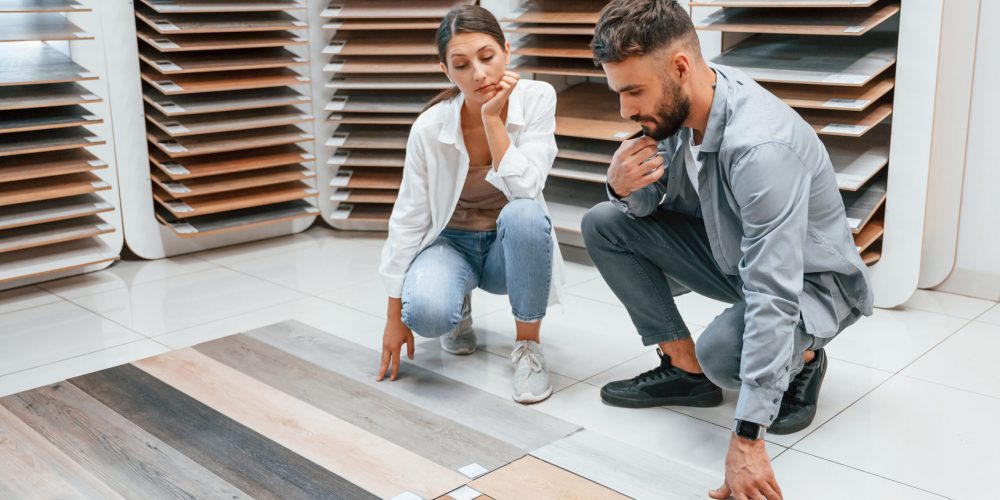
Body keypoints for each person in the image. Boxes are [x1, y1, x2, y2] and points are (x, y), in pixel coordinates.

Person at [582, 1, 874, 498]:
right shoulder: (684, 103)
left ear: (679, 67)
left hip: (806, 282)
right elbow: (660, 201)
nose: (626, 111)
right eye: (619, 93)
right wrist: (622, 187)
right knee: (604, 222)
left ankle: (804, 358)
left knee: (725, 354)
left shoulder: (760, 149)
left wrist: (748, 438)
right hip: (734, 255)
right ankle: (683, 370)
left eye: (633, 91)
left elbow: (774, 291)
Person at [377, 5, 565, 404]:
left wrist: (492, 119)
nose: (478, 74)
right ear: (446, 71)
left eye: (487, 57)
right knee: (426, 315)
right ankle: (457, 307)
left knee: (526, 212)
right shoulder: (429, 127)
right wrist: (394, 317)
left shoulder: (537, 98)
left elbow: (527, 188)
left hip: (507, 247)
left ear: (507, 51)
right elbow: (409, 216)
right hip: (451, 243)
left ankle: (528, 349)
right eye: (461, 65)